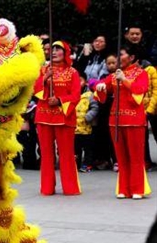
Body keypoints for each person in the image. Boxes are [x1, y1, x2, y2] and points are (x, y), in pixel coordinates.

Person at [94, 44, 151, 199]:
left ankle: (137, 189)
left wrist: (124, 80)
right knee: (121, 156)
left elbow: (140, 92)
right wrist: (100, 87)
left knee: (136, 156)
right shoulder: (114, 75)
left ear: (132, 58)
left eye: (122, 55)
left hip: (134, 120)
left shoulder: (141, 73)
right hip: (115, 120)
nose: (118, 58)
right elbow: (101, 88)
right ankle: (123, 188)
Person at [33, 40, 81, 196]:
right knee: (46, 154)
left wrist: (59, 100)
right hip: (44, 116)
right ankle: (46, 188)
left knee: (66, 153)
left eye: (58, 49)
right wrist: (45, 78)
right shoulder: (43, 70)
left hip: (64, 117)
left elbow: (76, 95)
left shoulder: (73, 72)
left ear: (65, 52)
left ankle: (70, 187)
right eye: (52, 49)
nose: (53, 51)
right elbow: (35, 89)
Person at [74, 72, 98, 172]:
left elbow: (95, 108)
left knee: (88, 148)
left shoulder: (89, 95)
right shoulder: (70, 94)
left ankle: (87, 164)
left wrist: (88, 116)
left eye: (80, 81)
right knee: (75, 149)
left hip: (86, 128)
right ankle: (76, 164)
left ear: (86, 82)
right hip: (74, 128)